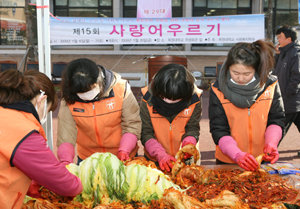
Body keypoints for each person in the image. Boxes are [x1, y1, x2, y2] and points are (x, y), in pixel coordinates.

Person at [0, 69, 82, 209]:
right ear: (42, 100)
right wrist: (79, 185)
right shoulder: (23, 131)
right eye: (48, 109)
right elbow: (68, 185)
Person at [209, 40, 285, 171]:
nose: (240, 78)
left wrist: (271, 143)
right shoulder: (218, 89)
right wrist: (237, 154)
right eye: (235, 72)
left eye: (247, 74)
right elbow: (219, 129)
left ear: (257, 69)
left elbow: (277, 119)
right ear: (228, 68)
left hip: (261, 159)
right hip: (229, 160)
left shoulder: (270, 85)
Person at [57, 58, 141, 164]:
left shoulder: (120, 89)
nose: (86, 95)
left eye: (90, 89)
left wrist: (125, 149)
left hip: (122, 155)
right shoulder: (69, 98)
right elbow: (66, 134)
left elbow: (132, 125)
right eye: (81, 93)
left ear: (98, 80)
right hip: (89, 160)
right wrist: (65, 160)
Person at [140, 63, 202, 172]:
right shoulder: (147, 100)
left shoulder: (194, 100)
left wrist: (188, 145)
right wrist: (160, 154)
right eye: (164, 97)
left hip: (184, 160)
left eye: (175, 99)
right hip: (155, 158)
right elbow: (146, 133)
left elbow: (192, 129)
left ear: (185, 95)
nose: (169, 102)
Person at [272, 26, 300, 138]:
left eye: (280, 37)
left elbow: (297, 76)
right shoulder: (283, 52)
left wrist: (287, 93)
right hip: (289, 99)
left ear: (289, 39)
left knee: (279, 127)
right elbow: (275, 70)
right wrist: (277, 55)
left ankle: (270, 152)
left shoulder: (296, 54)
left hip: (290, 99)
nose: (278, 40)